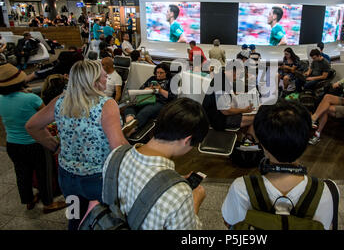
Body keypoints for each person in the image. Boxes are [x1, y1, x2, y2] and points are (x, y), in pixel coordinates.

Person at [26, 60, 128, 230]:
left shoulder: (61, 100)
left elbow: (32, 126)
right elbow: (118, 145)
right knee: (102, 219)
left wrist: (55, 147)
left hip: (67, 176)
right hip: (98, 178)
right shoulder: (107, 105)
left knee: (74, 217)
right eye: (104, 77)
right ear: (94, 81)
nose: (106, 80)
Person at [221, 99, 338, 230]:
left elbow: (230, 221)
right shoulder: (325, 192)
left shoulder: (241, 188)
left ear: (262, 144)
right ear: (305, 142)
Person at [103, 98, 208, 229]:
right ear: (188, 140)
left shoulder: (115, 155)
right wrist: (195, 201)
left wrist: (169, 181)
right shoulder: (179, 194)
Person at [0, 64, 66, 214]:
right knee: (44, 173)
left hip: (12, 143)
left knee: (22, 173)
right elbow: (47, 116)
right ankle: (48, 203)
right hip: (36, 143)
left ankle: (28, 200)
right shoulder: (31, 99)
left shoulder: (1, 99)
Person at [123, 63, 176, 136]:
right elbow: (141, 89)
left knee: (144, 112)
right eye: (157, 72)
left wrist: (160, 90)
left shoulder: (171, 81)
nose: (159, 75)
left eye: (161, 73)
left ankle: (131, 130)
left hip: (160, 102)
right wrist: (146, 89)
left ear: (166, 73)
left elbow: (172, 96)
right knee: (130, 108)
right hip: (147, 99)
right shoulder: (152, 78)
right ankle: (129, 125)